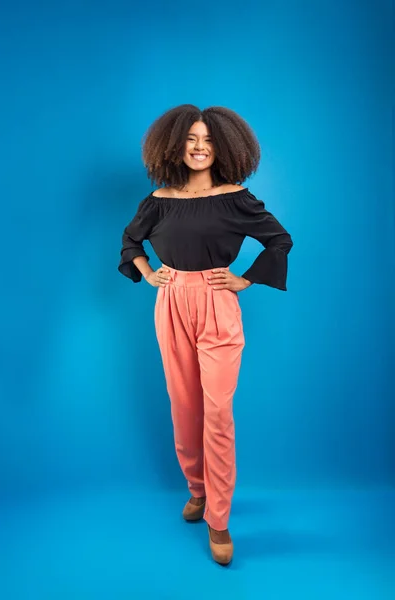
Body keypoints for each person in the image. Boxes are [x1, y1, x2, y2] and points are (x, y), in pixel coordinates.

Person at [118, 104, 293, 565]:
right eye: (192, 139)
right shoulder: (158, 199)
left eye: (209, 140)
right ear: (175, 146)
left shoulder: (237, 198)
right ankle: (197, 489)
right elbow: (131, 241)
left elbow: (279, 239)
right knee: (184, 406)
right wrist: (147, 272)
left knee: (217, 412)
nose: (199, 148)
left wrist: (244, 279)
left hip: (217, 304)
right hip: (171, 301)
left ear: (225, 147)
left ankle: (219, 517)